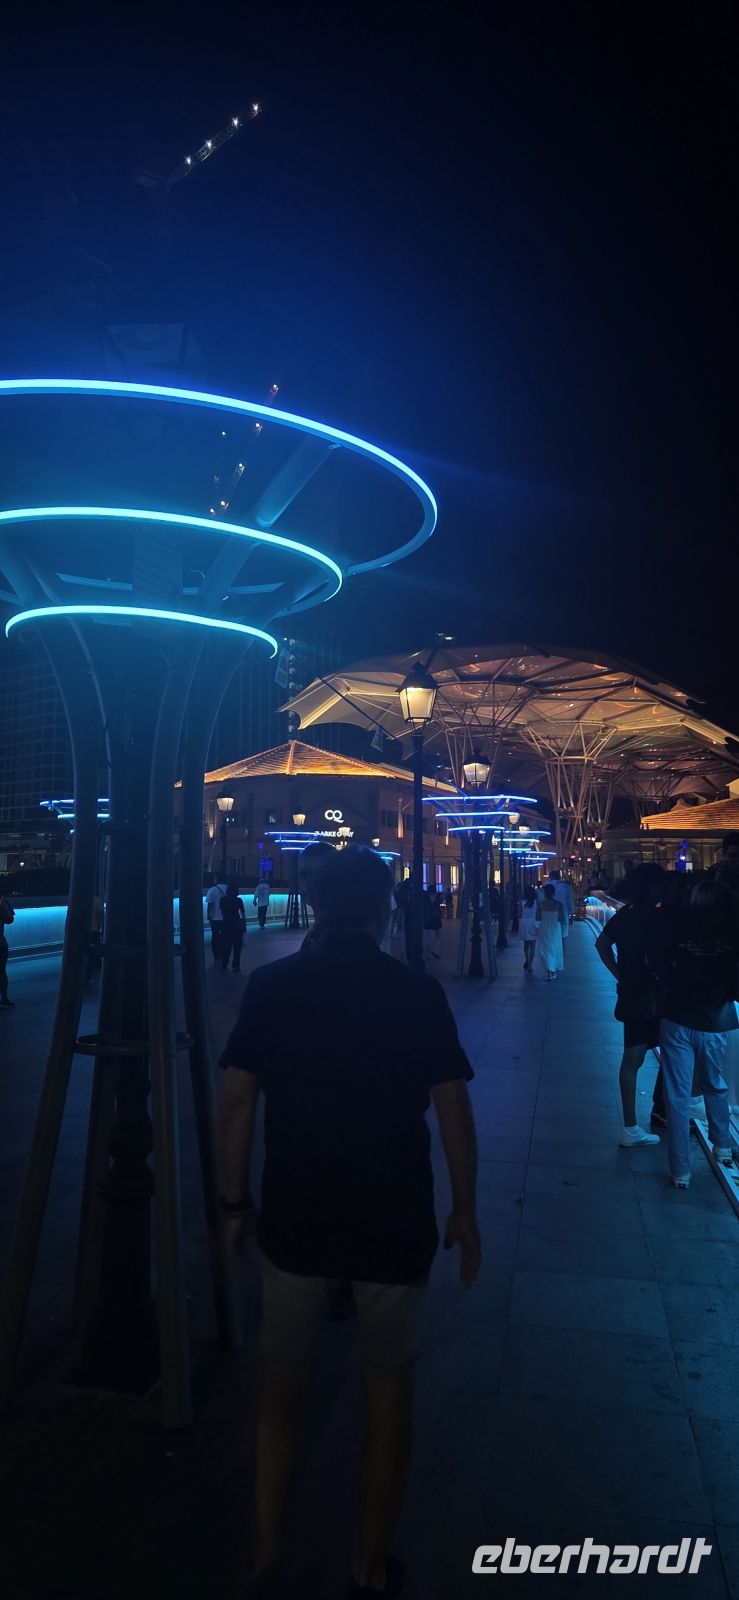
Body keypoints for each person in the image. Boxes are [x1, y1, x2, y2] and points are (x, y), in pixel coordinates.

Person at [218, 846, 480, 1599]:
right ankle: (369, 1562)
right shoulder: (416, 993)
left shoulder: (272, 987)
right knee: (388, 1388)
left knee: (281, 1389)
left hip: (296, 1210)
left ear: (315, 905)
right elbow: (452, 1106)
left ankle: (268, 1549)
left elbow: (236, 1101)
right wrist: (463, 1209)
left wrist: (234, 1205)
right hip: (393, 1213)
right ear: (385, 909)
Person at [655, 879, 739, 1189]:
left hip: (676, 1019)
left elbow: (658, 964)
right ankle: (723, 1146)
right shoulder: (731, 940)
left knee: (677, 1096)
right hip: (713, 1022)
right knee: (714, 1083)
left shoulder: (678, 932)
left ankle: (680, 1171)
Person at [594, 863, 666, 1147]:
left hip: (632, 991)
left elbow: (601, 944)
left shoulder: (625, 914)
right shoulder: (658, 917)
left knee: (632, 1058)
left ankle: (631, 1126)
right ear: (652, 886)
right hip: (655, 993)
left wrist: (619, 973)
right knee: (675, 1050)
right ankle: (674, 1109)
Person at [536, 883, 565, 979]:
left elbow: (537, 917)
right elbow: (562, 918)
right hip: (555, 927)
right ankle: (552, 969)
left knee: (544, 948)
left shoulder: (541, 904)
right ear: (554, 893)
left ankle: (549, 970)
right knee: (554, 947)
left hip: (544, 926)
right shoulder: (558, 904)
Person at [220, 885, 246, 973]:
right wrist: (244, 924)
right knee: (237, 946)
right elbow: (242, 913)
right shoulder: (239, 900)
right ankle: (236, 965)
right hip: (236, 924)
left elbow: (222, 911)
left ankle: (224, 962)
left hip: (226, 924)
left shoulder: (223, 899)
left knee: (226, 945)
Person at [206, 879, 228, 963]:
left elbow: (210, 904)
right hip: (226, 917)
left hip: (215, 918)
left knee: (215, 937)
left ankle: (216, 955)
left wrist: (209, 916)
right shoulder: (229, 888)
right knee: (225, 936)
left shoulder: (212, 890)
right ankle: (224, 953)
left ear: (217, 879)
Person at [0, 893, 15, 1009]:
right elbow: (10, 919)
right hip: (1, 943)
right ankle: (3, 998)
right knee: (2, 971)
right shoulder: (2, 900)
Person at [520, 885, 538, 972]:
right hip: (533, 923)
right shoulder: (536, 902)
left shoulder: (522, 902)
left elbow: (519, 914)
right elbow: (538, 914)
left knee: (526, 944)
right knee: (533, 945)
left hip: (524, 923)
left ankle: (527, 960)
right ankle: (530, 965)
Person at [423, 884, 443, 960]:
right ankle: (434, 951)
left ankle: (429, 953)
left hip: (429, 919)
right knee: (438, 935)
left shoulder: (426, 898)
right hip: (436, 919)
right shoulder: (436, 898)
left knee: (429, 937)